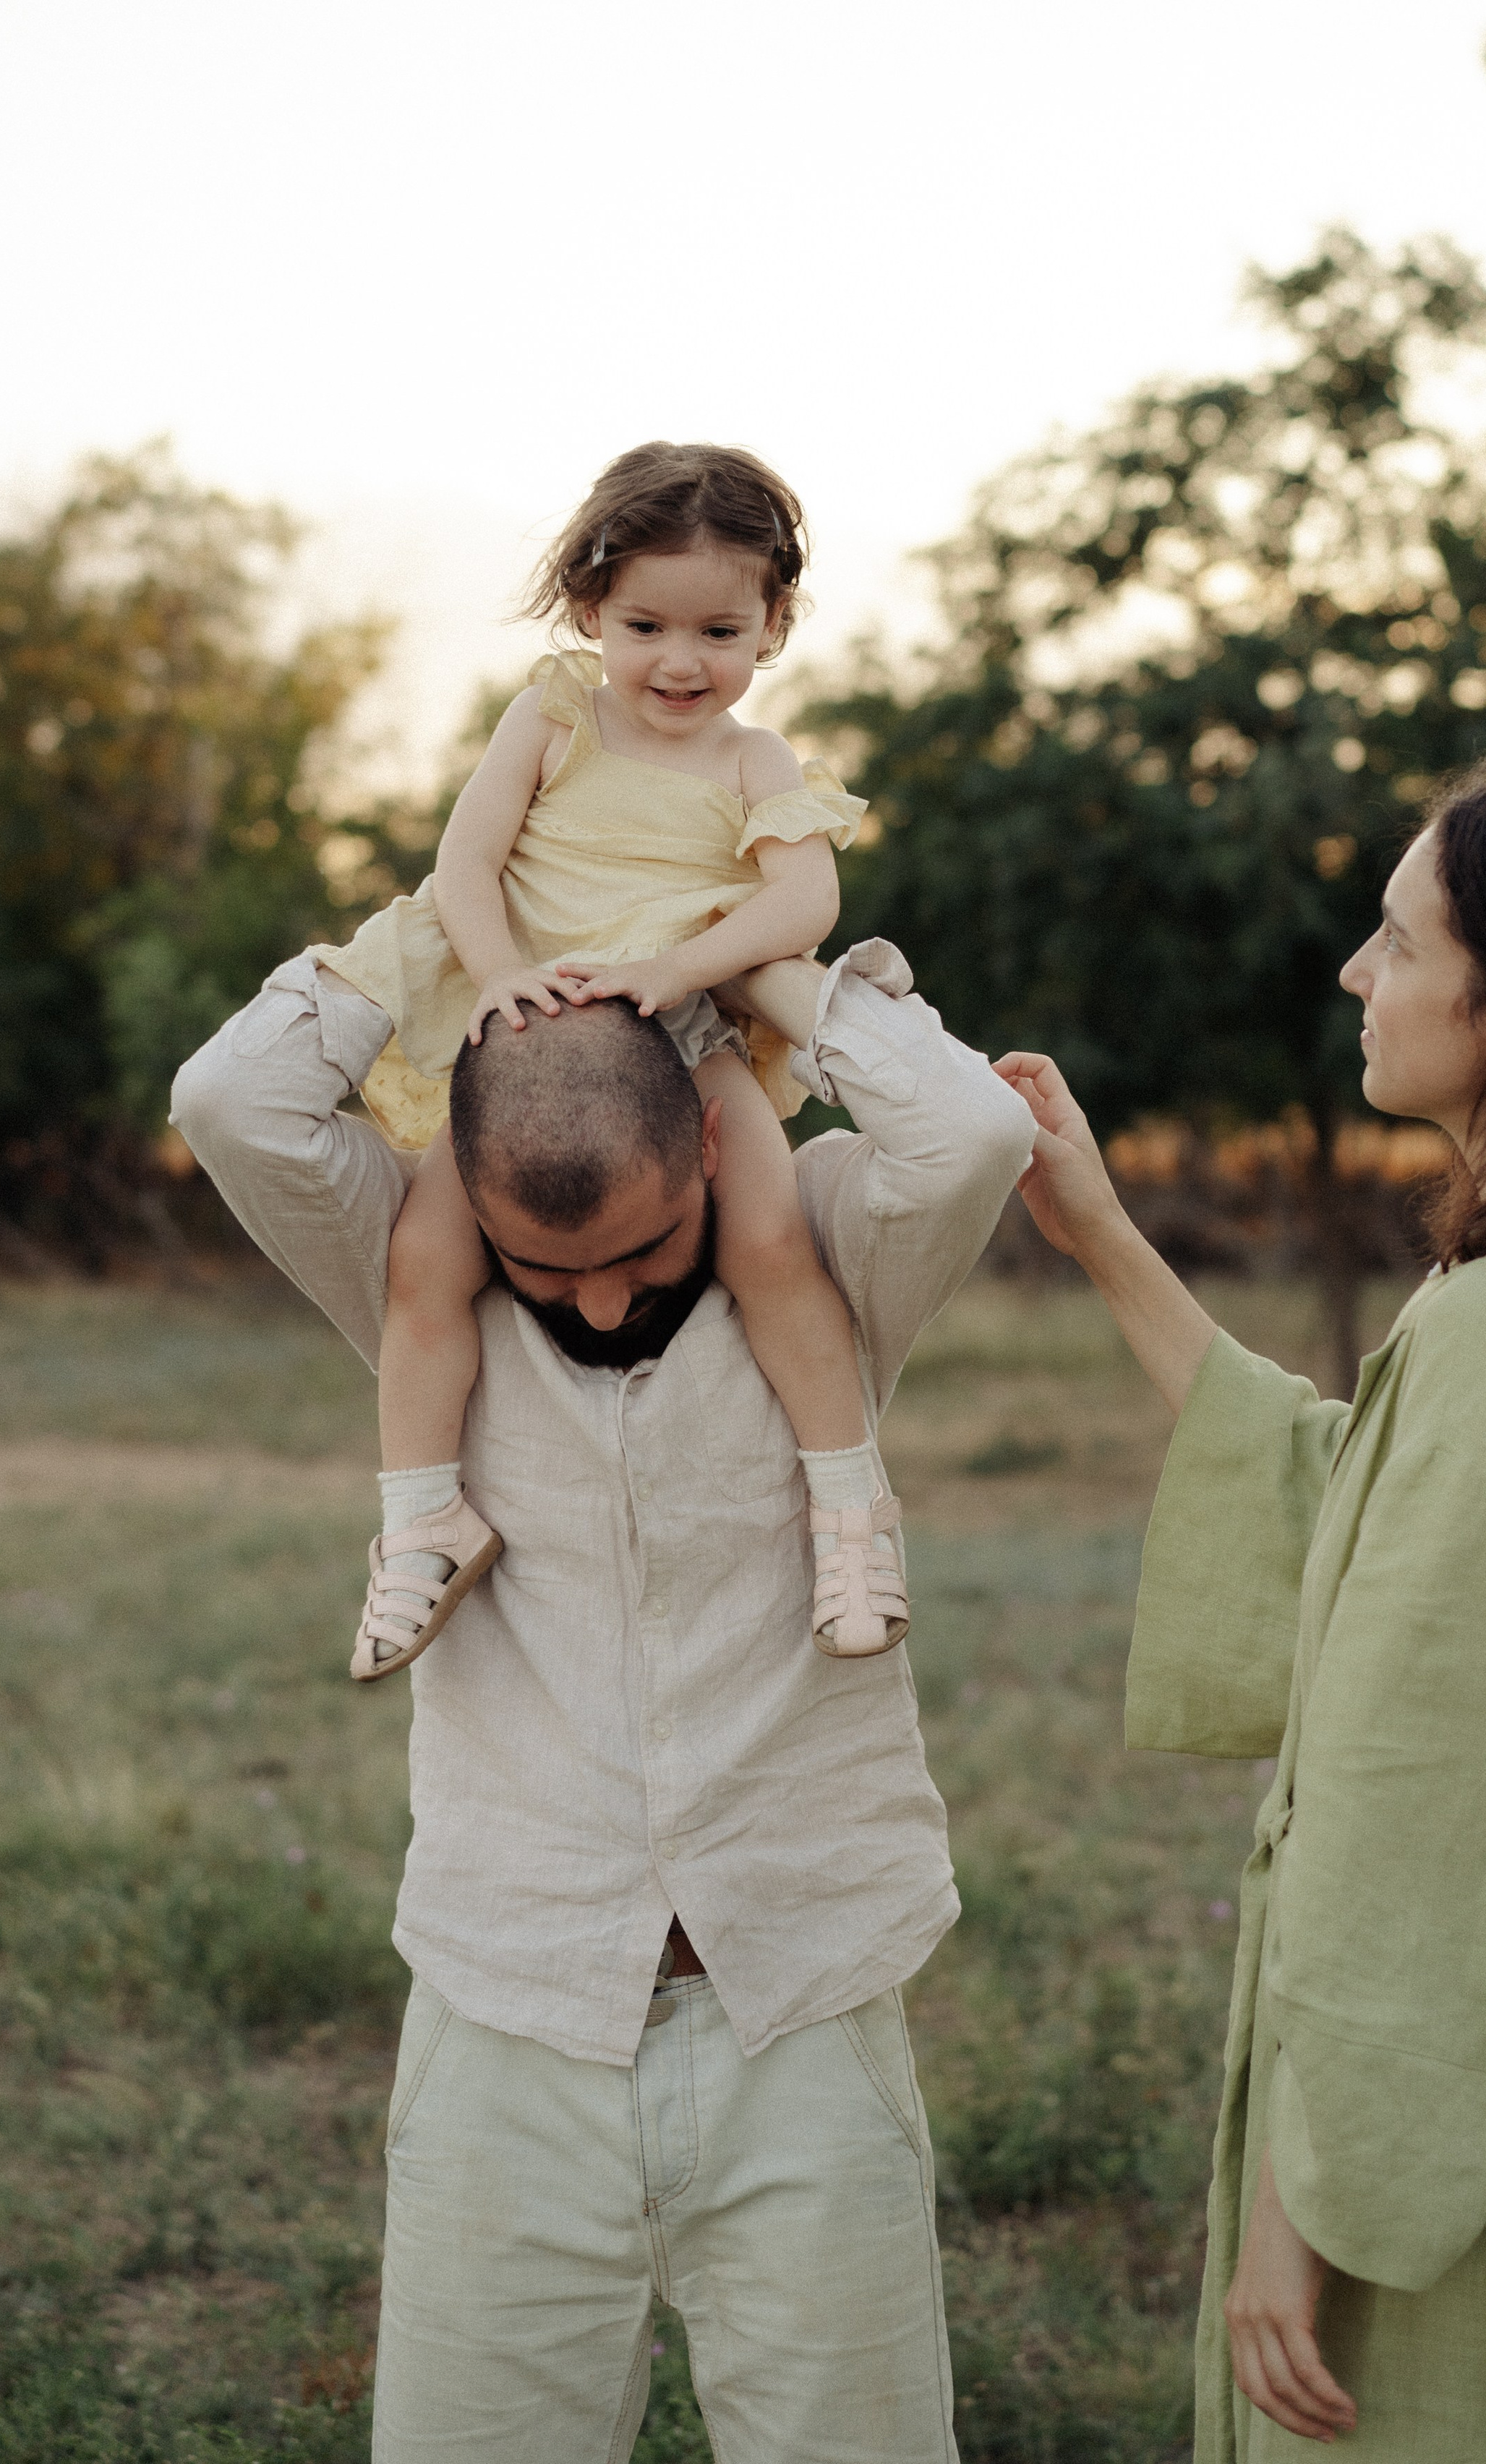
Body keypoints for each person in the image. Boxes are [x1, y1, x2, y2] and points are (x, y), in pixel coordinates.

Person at [994, 756, 1486, 2462]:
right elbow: (1350, 1509)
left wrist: (1297, 2219)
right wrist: (1101, 1234)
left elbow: (1442, 1834)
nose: (1355, 973)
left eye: (1395, 939)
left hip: (1457, 2192)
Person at [171, 926, 1035, 2461]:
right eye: (542, 1265)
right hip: (509, 2009)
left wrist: (725, 954)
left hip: (804, 2007)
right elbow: (234, 1102)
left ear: (712, 1147)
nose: (600, 1298)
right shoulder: (410, 1280)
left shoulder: (827, 1252)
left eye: (643, 1247)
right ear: (460, 1200)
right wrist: (457, 931)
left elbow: (969, 1129)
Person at [302, 441, 906, 1682]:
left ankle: (850, 1513)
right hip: (527, 1035)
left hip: (680, 1034)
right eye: (645, 625)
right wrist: (504, 971)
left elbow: (803, 901)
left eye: (720, 630)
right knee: (426, 1259)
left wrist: (677, 973)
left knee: (774, 1246)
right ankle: (422, 1516)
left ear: (773, 622)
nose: (681, 663)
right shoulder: (555, 712)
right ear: (591, 609)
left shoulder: (756, 763)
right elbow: (465, 863)